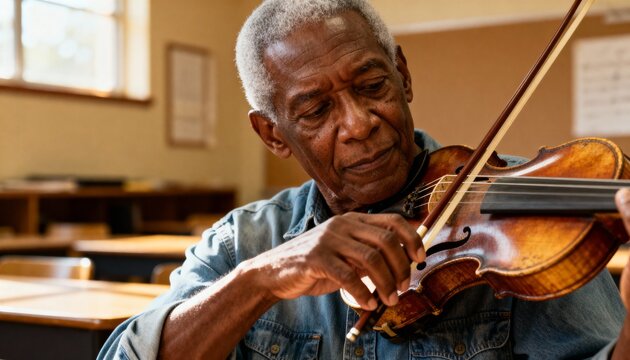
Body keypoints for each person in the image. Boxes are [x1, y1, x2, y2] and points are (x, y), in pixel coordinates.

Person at [99, 1, 630, 359]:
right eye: (316, 111)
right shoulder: (246, 243)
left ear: (403, 75)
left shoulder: (526, 227)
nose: (358, 124)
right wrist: (261, 279)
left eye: (373, 85)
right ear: (272, 134)